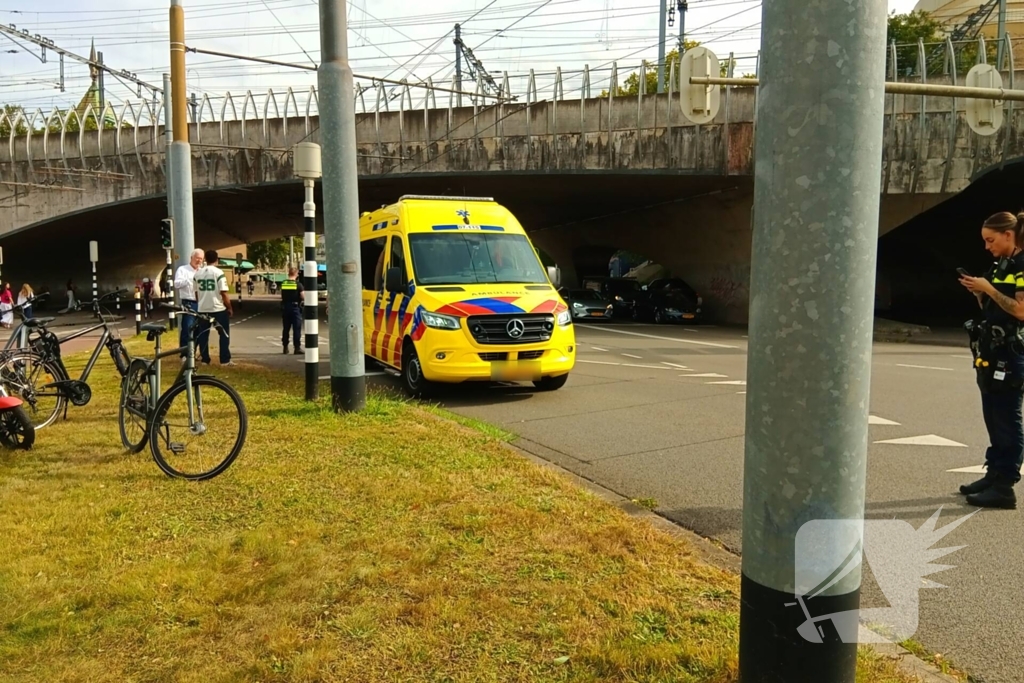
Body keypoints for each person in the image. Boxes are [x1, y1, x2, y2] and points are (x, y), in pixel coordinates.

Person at [958, 211, 1024, 509]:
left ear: (1009, 235)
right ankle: (994, 472)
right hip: (992, 351)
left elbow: (1021, 310)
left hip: (1011, 354)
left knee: (1007, 419)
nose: (987, 247)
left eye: (991, 240)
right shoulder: (1002, 264)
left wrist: (989, 288)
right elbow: (996, 306)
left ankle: (1004, 486)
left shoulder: (1022, 264)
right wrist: (979, 293)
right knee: (993, 415)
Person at [194, 249, 234, 366]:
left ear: (205, 259)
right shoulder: (218, 273)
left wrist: (200, 303)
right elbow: (224, 293)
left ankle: (205, 359)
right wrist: (229, 307)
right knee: (223, 334)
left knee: (203, 335)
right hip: (217, 308)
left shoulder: (197, 274)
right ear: (217, 259)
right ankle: (224, 360)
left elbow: (196, 293)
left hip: (203, 309)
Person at [174, 249, 204, 358]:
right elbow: (176, 284)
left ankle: (193, 352)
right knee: (187, 328)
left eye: (201, 259)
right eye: (197, 258)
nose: (199, 261)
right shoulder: (182, 270)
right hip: (189, 302)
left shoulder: (202, 271)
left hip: (201, 303)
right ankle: (184, 354)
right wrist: (189, 280)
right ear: (191, 257)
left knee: (199, 329)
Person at [280, 267, 304, 355]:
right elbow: (303, 296)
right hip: (295, 308)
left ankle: (285, 347)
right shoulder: (298, 285)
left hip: (285, 307)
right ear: (296, 274)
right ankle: (297, 348)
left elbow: (282, 295)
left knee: (286, 328)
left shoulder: (284, 283)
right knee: (296, 328)